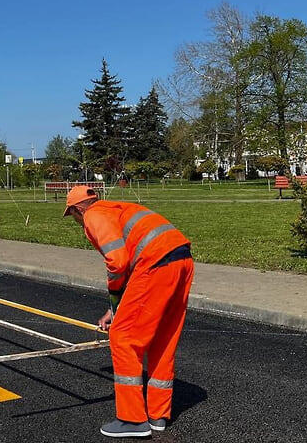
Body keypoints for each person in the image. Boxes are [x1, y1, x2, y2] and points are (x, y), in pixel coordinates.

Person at [62, 186, 195, 439]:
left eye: (73, 216)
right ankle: (158, 414)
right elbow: (135, 272)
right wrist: (114, 308)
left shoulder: (93, 216)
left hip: (155, 263)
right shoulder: (117, 209)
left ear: (77, 209)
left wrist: (114, 293)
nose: (76, 221)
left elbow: (118, 261)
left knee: (123, 337)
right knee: (163, 338)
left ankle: (132, 420)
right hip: (180, 260)